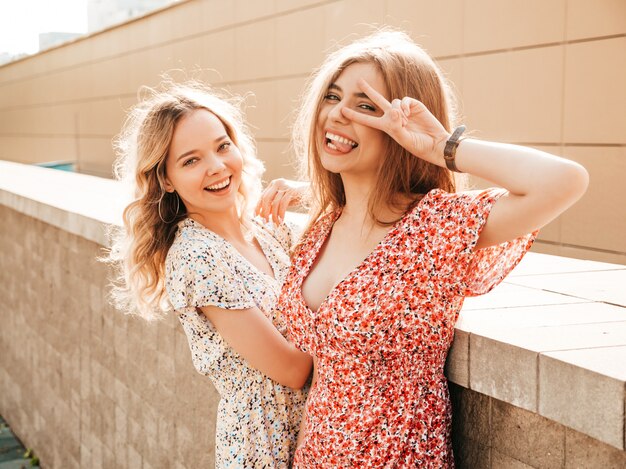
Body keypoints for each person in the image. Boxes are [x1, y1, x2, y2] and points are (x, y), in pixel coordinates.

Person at [266, 30, 588, 468]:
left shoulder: (434, 228)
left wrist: (442, 148)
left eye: (365, 106)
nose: (338, 114)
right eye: (331, 97)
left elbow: (565, 182)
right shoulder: (323, 225)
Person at [107, 82, 311, 468]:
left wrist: (308, 191)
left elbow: (358, 230)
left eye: (222, 147)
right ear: (166, 180)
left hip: (311, 434)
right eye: (191, 160)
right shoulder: (197, 257)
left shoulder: (266, 230)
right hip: (262, 448)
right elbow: (293, 369)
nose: (217, 167)